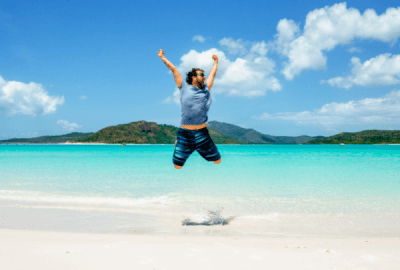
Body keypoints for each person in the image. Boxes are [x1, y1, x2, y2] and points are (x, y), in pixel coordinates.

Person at [158, 49, 221, 169]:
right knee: (177, 166)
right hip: (185, 133)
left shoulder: (206, 88)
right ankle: (179, 143)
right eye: (201, 74)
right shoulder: (183, 86)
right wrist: (162, 57)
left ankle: (198, 148)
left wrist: (216, 62)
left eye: (204, 75)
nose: (203, 76)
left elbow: (213, 73)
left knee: (217, 160)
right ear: (193, 77)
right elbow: (173, 69)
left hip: (202, 134)